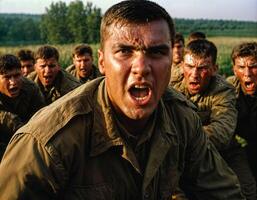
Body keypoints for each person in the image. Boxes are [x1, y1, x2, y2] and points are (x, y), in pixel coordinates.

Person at [0, 1, 245, 199]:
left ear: (173, 62)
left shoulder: (181, 119)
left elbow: (224, 192)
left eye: (157, 52)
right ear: (103, 62)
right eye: (124, 51)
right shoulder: (47, 143)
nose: (141, 67)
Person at [171, 39, 256, 199]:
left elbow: (222, 132)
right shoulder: (168, 80)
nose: (194, 75)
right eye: (189, 67)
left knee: (246, 192)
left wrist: (180, 139)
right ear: (182, 65)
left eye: (202, 68)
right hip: (174, 153)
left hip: (224, 152)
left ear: (214, 69)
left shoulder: (224, 90)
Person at [0, 54, 45, 159]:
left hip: (27, 140)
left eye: (16, 76)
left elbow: (41, 119)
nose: (13, 82)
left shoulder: (31, 89)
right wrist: (13, 122)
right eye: (7, 77)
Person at [227, 42, 257, 190]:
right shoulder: (227, 92)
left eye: (253, 66)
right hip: (239, 148)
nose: (247, 73)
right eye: (241, 67)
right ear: (234, 70)